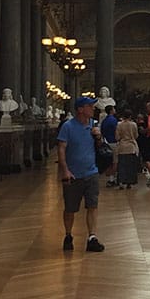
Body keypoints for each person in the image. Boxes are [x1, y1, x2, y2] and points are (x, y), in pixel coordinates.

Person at [56, 97, 105, 252]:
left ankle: (92, 237)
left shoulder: (93, 125)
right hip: (73, 174)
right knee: (70, 209)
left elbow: (100, 146)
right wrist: (65, 170)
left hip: (91, 172)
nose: (93, 109)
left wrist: (98, 137)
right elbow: (61, 148)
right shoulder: (68, 126)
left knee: (92, 205)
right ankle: (68, 235)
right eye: (90, 106)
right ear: (80, 109)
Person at [115, 109, 140, 189]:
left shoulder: (119, 124)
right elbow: (136, 135)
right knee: (131, 166)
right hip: (131, 146)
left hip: (122, 146)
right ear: (130, 116)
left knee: (122, 166)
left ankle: (121, 182)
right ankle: (130, 182)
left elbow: (117, 137)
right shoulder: (134, 124)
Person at [100, 104, 118, 186]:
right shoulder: (113, 120)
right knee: (115, 161)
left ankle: (111, 177)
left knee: (109, 161)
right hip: (114, 142)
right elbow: (116, 131)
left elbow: (102, 132)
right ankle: (112, 179)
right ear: (111, 110)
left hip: (106, 142)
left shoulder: (104, 121)